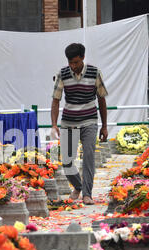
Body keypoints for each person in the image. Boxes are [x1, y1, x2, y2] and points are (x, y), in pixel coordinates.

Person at [50, 43, 108, 205]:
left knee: (88, 157)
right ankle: (78, 185)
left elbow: (102, 100)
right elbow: (55, 100)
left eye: (75, 62)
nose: (73, 66)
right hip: (68, 122)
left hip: (89, 120)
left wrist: (104, 126)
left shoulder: (94, 73)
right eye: (70, 63)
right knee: (67, 160)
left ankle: (87, 194)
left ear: (82, 58)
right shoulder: (62, 74)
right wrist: (54, 124)